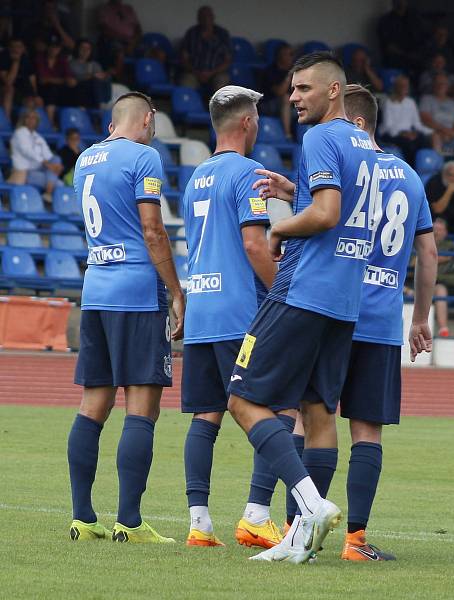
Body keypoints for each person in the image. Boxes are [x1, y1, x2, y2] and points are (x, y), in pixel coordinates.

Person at [253, 83, 438, 560]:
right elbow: (428, 250)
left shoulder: (345, 163)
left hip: (333, 305)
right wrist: (420, 317)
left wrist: (291, 198)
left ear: (353, 124)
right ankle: (355, 540)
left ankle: (298, 529)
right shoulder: (408, 176)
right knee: (366, 432)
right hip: (380, 318)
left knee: (308, 416)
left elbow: (330, 211)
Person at [226, 52, 378, 564]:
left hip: (302, 289)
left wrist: (279, 226)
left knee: (242, 400)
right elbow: (346, 205)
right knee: (316, 411)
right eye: (292, 90)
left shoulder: (319, 137)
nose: (294, 98)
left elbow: (328, 212)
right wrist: (297, 191)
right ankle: (299, 542)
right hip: (344, 299)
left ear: (333, 91)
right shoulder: (365, 144)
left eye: (304, 89)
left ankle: (309, 506)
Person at [67, 91, 185, 544]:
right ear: (148, 119)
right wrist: (176, 291)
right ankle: (129, 522)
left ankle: (82, 516)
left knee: (93, 404)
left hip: (95, 289)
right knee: (142, 406)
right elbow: (153, 230)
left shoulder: (84, 160)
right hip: (137, 291)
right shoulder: (144, 156)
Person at [180, 85, 282, 549]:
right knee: (276, 408)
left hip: (201, 306)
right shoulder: (248, 174)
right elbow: (254, 244)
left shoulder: (195, 175)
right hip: (240, 311)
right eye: (257, 118)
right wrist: (285, 291)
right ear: (246, 123)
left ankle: (199, 524)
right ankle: (257, 514)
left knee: (206, 416)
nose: (259, 124)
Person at [378, 74, 433, 168]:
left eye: (406, 85)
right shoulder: (388, 102)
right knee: (409, 144)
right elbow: (388, 126)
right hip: (390, 134)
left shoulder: (410, 102)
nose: (405, 88)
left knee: (423, 140)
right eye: (402, 85)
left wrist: (431, 132)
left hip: (408, 134)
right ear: (396, 87)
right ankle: (410, 168)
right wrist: (404, 133)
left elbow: (417, 123)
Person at [9, 108, 63, 199]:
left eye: (34, 118)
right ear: (24, 119)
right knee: (59, 184)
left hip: (40, 170)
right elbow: (27, 151)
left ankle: (48, 193)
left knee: (56, 159)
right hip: (26, 172)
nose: (31, 120)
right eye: (28, 117)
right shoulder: (19, 133)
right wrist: (46, 163)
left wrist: (57, 166)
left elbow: (49, 156)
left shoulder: (38, 137)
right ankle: (49, 193)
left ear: (37, 121)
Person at [179, 6, 231, 95]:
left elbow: (228, 60)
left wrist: (211, 73)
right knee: (185, 84)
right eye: (203, 16)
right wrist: (196, 72)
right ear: (198, 18)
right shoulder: (191, 33)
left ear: (213, 17)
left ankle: (216, 109)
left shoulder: (222, 34)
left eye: (209, 16)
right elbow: (184, 58)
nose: (206, 19)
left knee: (222, 86)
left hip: (216, 73)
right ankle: (190, 107)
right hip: (194, 72)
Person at [96, 0, 142, 80]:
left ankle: (151, 82)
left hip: (132, 42)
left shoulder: (128, 9)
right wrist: (123, 39)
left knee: (155, 52)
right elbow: (104, 29)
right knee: (120, 52)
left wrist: (133, 43)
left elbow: (138, 29)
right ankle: (118, 82)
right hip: (114, 41)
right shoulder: (105, 9)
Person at [377, 0, 426, 74]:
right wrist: (406, 55)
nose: (401, 2)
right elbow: (388, 45)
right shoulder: (385, 21)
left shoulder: (415, 18)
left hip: (415, 58)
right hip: (396, 59)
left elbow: (422, 38)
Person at [34, 38, 76, 123]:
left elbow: (71, 81)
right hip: (42, 91)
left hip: (59, 91)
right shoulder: (40, 59)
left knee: (75, 91)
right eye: (52, 47)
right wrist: (62, 80)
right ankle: (50, 122)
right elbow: (43, 80)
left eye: (56, 48)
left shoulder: (62, 60)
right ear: (48, 47)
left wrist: (54, 80)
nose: (54, 50)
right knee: (51, 89)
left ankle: (71, 121)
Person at [258, 42, 293, 138]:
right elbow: (280, 92)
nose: (291, 57)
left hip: (290, 107)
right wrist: (289, 77)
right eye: (288, 54)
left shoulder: (295, 71)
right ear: (280, 56)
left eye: (292, 54)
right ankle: (287, 135)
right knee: (286, 98)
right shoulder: (270, 71)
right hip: (268, 105)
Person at [0, 39, 40, 119]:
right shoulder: (3, 58)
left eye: (18, 47)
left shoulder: (26, 60)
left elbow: (33, 82)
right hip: (4, 92)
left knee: (33, 100)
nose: (16, 49)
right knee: (9, 90)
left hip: (21, 93)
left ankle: (25, 126)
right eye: (13, 47)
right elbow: (8, 82)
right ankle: (6, 121)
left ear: (23, 48)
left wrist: (35, 96)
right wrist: (16, 62)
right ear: (9, 48)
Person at [69, 38, 111, 109]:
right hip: (80, 93)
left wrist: (104, 75)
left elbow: (100, 77)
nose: (85, 51)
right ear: (77, 49)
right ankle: (100, 104)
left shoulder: (95, 64)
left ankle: (103, 103)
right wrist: (92, 76)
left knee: (106, 78)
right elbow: (76, 78)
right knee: (93, 80)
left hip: (94, 94)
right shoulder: (72, 63)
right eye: (82, 48)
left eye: (88, 48)